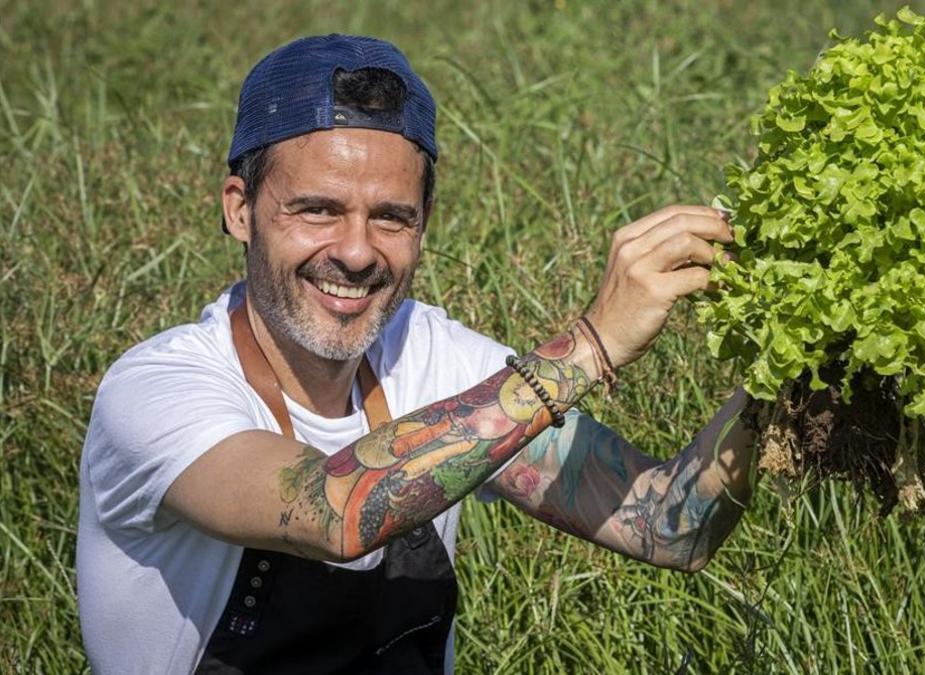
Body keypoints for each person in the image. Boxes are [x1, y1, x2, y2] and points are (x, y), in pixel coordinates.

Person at [75, 34, 758, 674]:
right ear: (239, 208)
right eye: (317, 210)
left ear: (425, 219)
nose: (355, 250)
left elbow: (674, 525)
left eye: (391, 217)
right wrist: (593, 345)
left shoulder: (436, 356)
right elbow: (336, 508)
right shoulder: (157, 389)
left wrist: (788, 363)